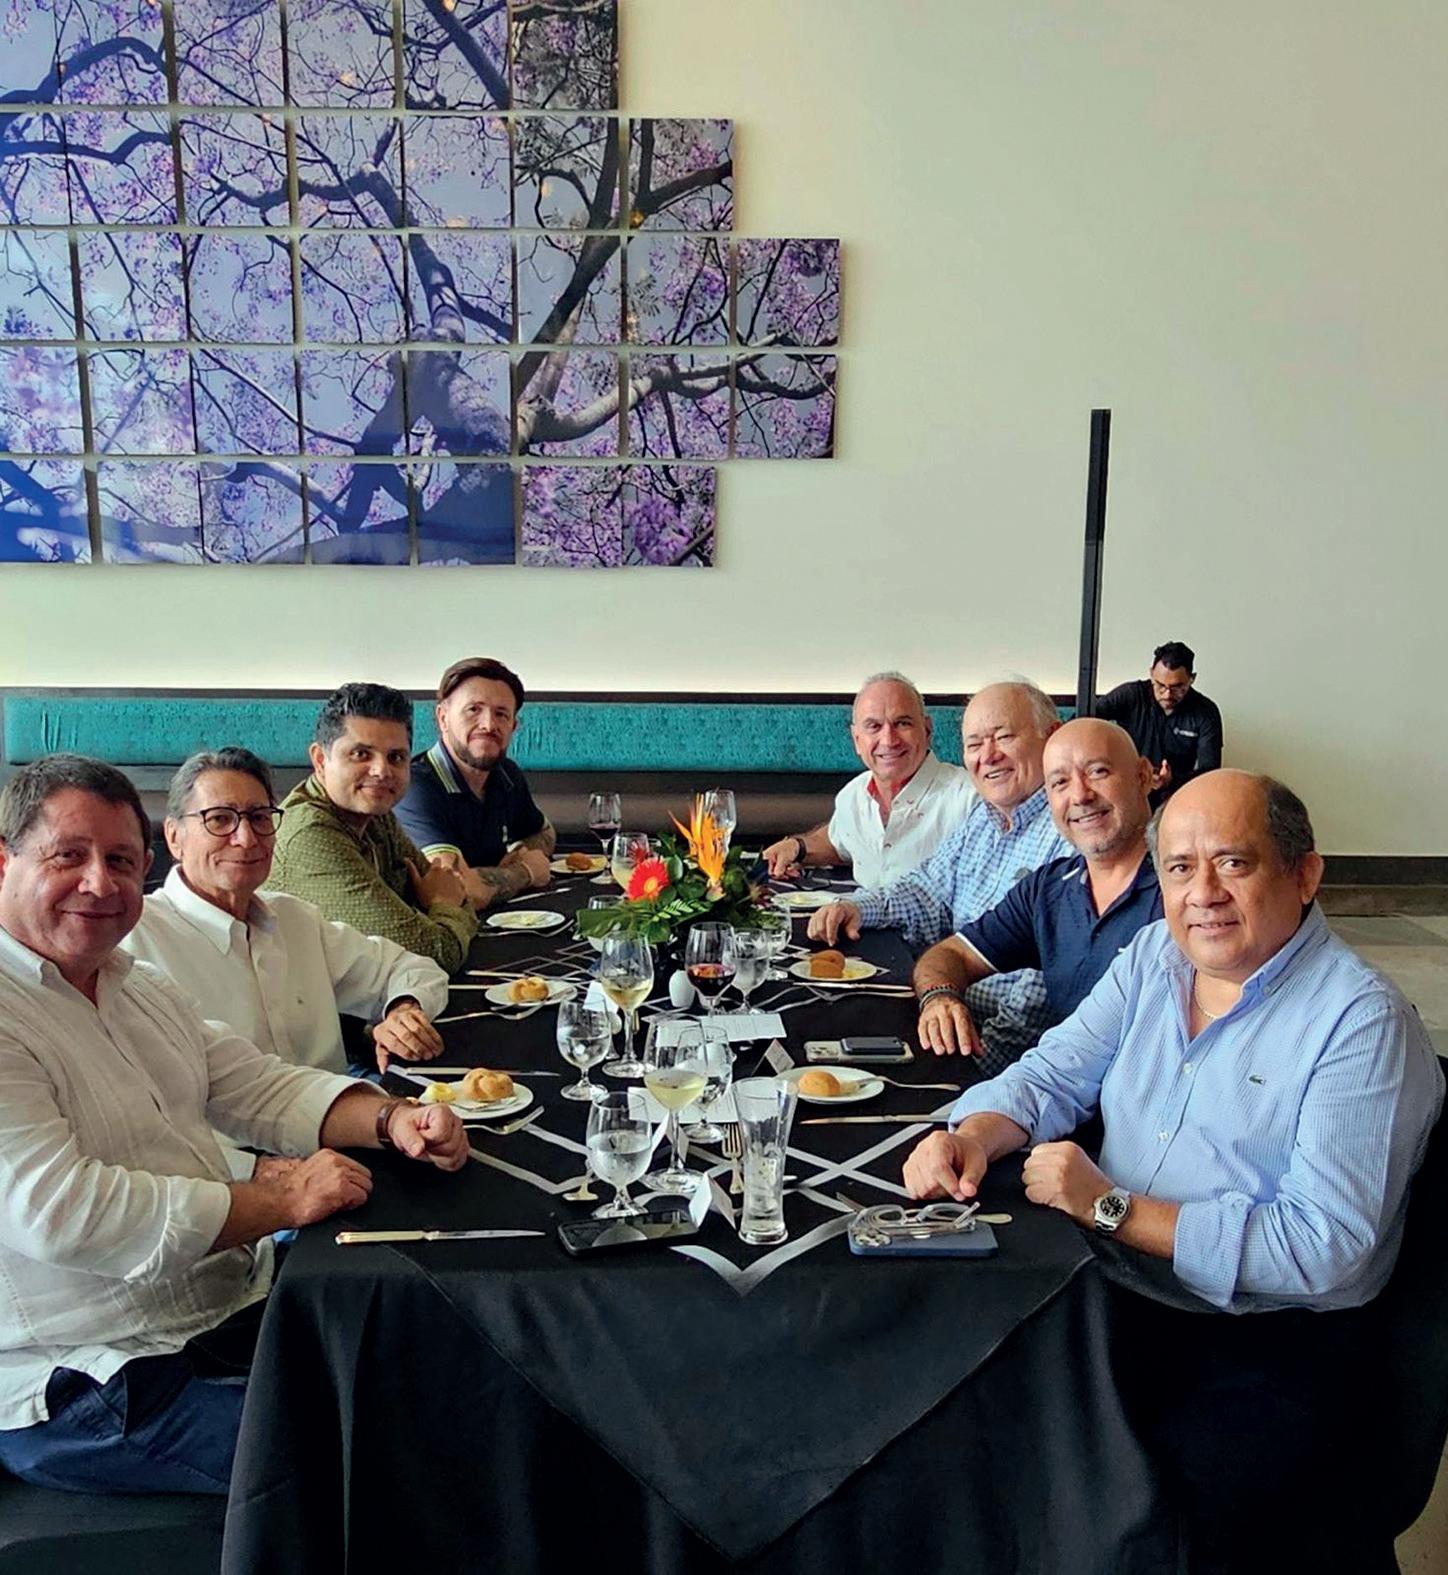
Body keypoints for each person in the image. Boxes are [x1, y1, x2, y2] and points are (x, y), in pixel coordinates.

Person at [902, 769, 1443, 1572]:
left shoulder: (1360, 1022)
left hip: (1265, 1339)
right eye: (1181, 868)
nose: (1203, 894)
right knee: (940, 1400)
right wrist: (976, 1133)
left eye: (1235, 862)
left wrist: (1111, 1206)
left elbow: (1323, 1246)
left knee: (1093, 1497)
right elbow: (1054, 1072)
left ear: (1305, 873)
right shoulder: (1157, 954)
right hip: (1120, 1291)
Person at [0, 755, 468, 1496]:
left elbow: (256, 1084)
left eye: (119, 860)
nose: (99, 883)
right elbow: (63, 1211)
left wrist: (392, 1119)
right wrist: (283, 1199)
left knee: (443, 1351)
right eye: (68, 856)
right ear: (5, 861)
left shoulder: (135, 987)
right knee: (387, 1456)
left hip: (220, 1304)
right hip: (88, 1374)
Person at [123, 747, 449, 1080]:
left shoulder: (294, 919)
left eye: (259, 817)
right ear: (174, 837)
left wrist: (403, 1010)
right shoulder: (133, 945)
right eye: (219, 819)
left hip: (349, 1106)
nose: (246, 838)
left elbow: (412, 968)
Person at [807, 681, 1070, 1069]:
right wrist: (857, 908)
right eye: (975, 744)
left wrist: (969, 1071)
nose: (988, 756)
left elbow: (1044, 990)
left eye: (1003, 737)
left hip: (995, 1051)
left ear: (1052, 738)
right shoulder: (985, 817)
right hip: (945, 1010)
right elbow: (927, 890)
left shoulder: (1070, 830)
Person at [911, 719, 1161, 1072]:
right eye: (1060, 783)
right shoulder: (1049, 887)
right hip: (1058, 1090)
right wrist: (940, 997)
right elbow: (952, 953)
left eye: (1098, 772)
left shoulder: (1183, 893)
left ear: (1144, 776)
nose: (1080, 795)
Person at [267, 682, 478, 974]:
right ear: (320, 760)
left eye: (396, 757)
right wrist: (445, 905)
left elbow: (456, 892)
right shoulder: (310, 835)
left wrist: (445, 905)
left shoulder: (375, 813)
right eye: (361, 754)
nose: (382, 771)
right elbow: (433, 954)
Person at [761, 672, 974, 888]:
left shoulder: (969, 799)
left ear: (927, 731)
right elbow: (839, 842)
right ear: (857, 740)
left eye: (902, 723)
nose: (888, 740)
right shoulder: (853, 795)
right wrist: (797, 847)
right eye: (874, 726)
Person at [394, 657, 556, 910]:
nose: (488, 725)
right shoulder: (414, 787)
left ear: (513, 726)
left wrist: (520, 853)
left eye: (501, 714)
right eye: (473, 710)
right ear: (443, 718)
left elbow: (543, 832)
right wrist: (525, 871)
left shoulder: (506, 773)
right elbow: (455, 890)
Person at [1096, 639, 1222, 803]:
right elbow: (1083, 720)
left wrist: (1172, 780)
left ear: (1192, 679)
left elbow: (1210, 772)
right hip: (1126, 790)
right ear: (1151, 674)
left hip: (1176, 797)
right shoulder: (1130, 695)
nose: (1167, 694)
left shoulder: (1205, 712)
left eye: (1177, 687)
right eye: (1160, 685)